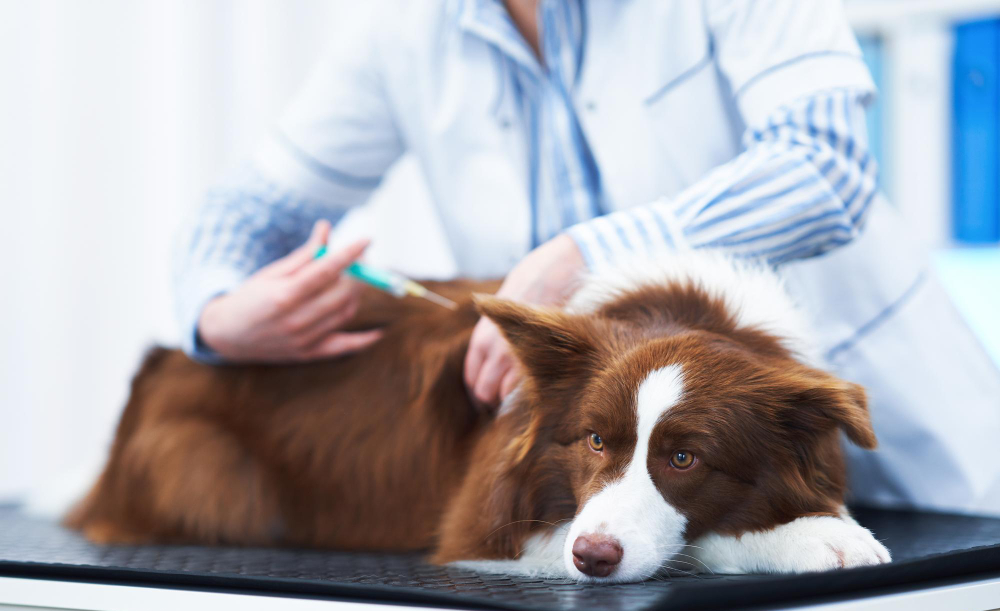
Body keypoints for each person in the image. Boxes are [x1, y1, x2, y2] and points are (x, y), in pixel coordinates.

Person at [174, 0, 1000, 515]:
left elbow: (825, 167)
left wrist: (586, 257)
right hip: (659, 493)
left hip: (912, 450)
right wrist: (217, 313)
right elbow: (247, 210)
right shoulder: (406, 30)